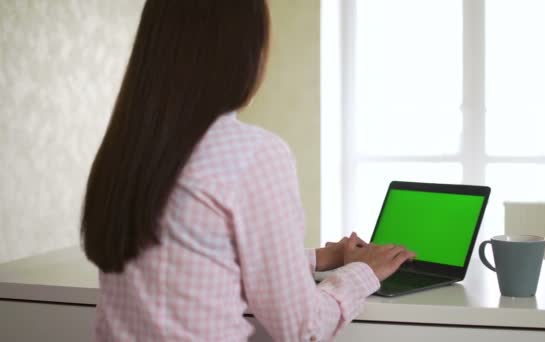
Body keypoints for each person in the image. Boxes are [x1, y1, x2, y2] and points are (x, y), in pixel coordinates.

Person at [80, 1, 415, 341]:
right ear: (243, 52)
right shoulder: (252, 153)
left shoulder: (126, 150)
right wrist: (364, 271)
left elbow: (199, 264)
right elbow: (303, 326)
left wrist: (321, 258)